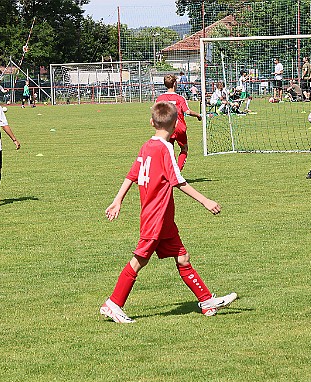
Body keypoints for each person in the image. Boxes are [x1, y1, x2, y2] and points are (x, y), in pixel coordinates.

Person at [100, 101, 238, 323]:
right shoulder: (165, 149)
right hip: (155, 217)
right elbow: (179, 181)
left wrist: (118, 201)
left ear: (151, 122)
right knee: (139, 260)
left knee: (183, 258)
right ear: (176, 125)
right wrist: (205, 201)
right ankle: (113, 304)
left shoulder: (146, 146)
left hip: (163, 219)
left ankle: (206, 301)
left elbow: (131, 175)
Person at [156, 74, 202, 170]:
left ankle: (170, 172)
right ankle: (177, 172)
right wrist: (198, 115)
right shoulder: (180, 98)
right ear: (175, 84)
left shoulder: (160, 98)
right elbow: (187, 112)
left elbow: (156, 112)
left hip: (167, 128)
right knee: (184, 149)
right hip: (179, 127)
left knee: (169, 150)